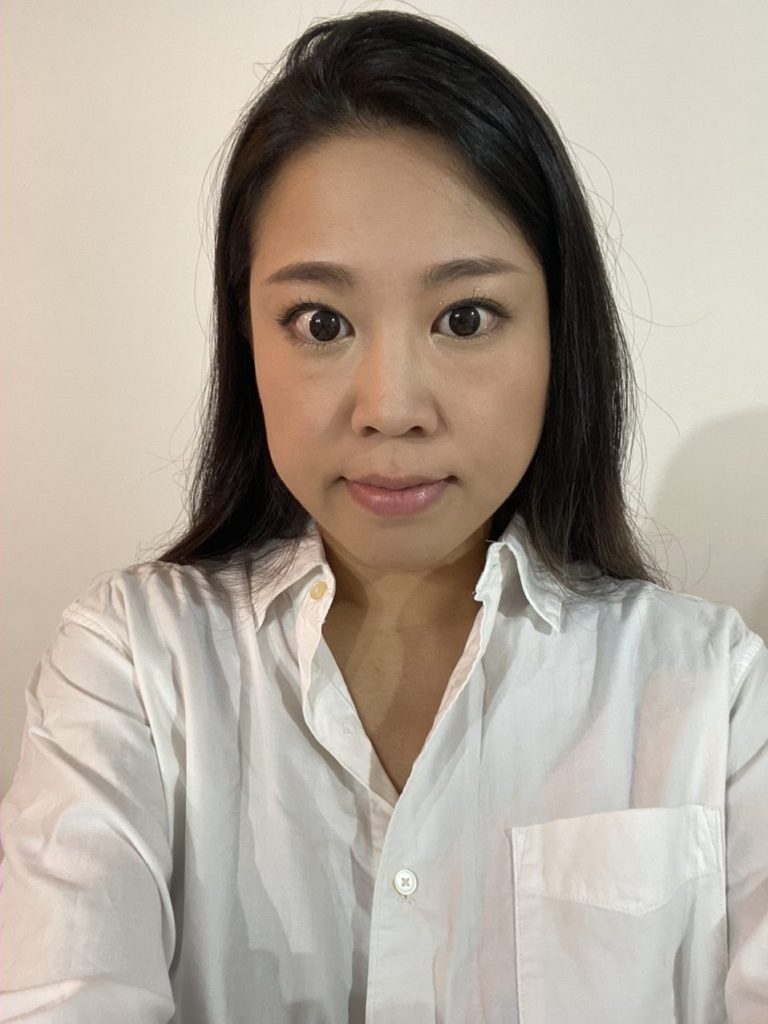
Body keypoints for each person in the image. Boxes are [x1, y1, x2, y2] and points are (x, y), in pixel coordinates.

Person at [1, 8, 766, 1023]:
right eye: (321, 322)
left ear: (559, 334)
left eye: (465, 317)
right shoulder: (134, 669)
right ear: (247, 338)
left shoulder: (714, 694)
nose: (391, 406)